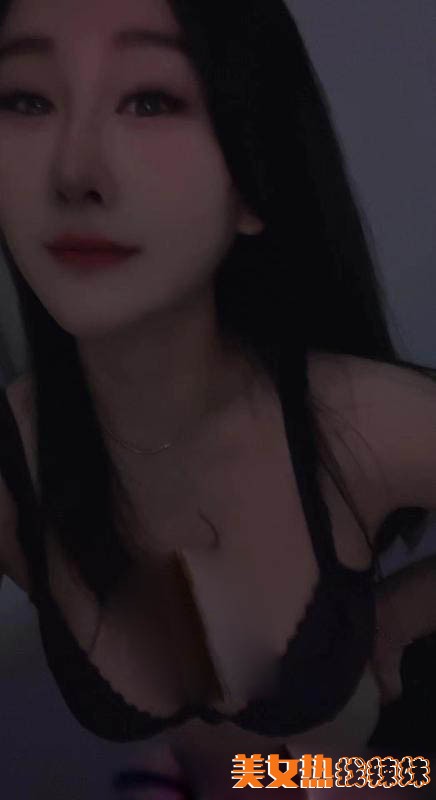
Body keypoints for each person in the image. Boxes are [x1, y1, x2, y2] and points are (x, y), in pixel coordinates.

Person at [0, 0, 435, 794]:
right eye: (26, 99)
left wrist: (404, 616)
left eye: (149, 100)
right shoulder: (17, 465)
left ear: (254, 181)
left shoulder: (357, 422)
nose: (72, 173)